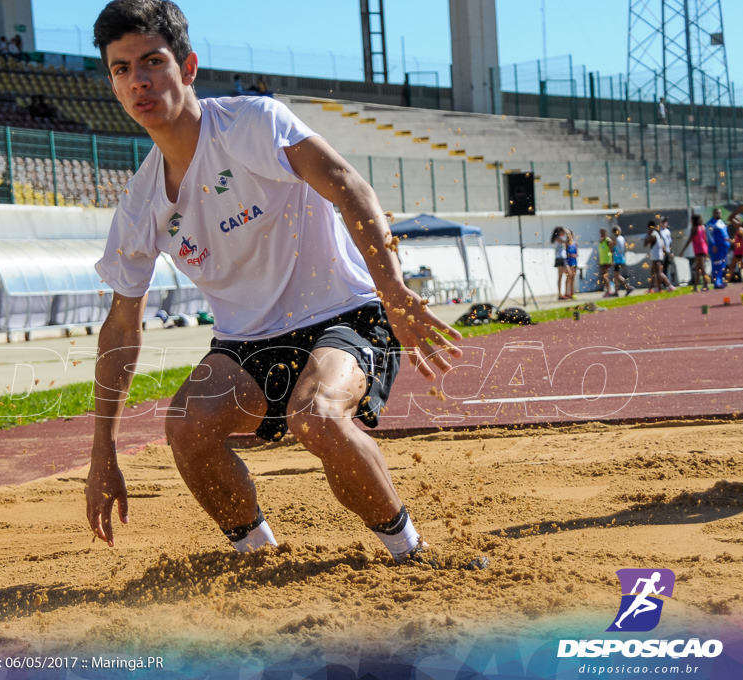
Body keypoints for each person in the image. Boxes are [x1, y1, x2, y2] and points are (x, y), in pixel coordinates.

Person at [86, 0, 473, 568]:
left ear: (187, 68)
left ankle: (411, 554)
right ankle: (260, 557)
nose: (138, 80)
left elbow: (347, 185)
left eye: (152, 61)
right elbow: (121, 327)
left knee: (316, 415)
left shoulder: (252, 123)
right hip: (249, 343)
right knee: (187, 425)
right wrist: (102, 454)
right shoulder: (140, 204)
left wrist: (395, 293)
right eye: (121, 69)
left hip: (346, 313)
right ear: (114, 86)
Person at [678, 213, 710, 291]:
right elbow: (706, 239)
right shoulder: (702, 227)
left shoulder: (694, 228)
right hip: (703, 248)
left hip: (699, 249)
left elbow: (689, 240)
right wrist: (708, 249)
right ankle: (695, 286)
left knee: (702, 268)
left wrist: (682, 251)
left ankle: (706, 284)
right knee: (698, 268)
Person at [643, 220, 674, 293]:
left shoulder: (653, 235)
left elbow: (645, 244)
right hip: (656, 256)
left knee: (659, 273)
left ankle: (670, 285)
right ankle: (656, 288)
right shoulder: (657, 233)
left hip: (656, 256)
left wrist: (647, 235)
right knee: (653, 272)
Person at [706, 207, 729, 289]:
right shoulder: (711, 223)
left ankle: (720, 280)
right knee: (717, 263)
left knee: (723, 264)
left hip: (724, 246)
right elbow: (710, 235)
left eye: (719, 213)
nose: (718, 214)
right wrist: (714, 244)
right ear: (713, 214)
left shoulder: (721, 222)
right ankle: (716, 281)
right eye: (716, 213)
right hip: (717, 247)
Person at [610, 226, 634, 296]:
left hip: (617, 260)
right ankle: (616, 291)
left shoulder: (615, 239)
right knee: (616, 276)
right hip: (621, 258)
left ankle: (628, 287)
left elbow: (611, 249)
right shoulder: (622, 238)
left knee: (617, 276)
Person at [726, 220, 743, 287]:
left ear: (739, 223)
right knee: (732, 266)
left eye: (736, 222)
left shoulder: (740, 230)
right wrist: (730, 240)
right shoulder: (737, 230)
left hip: (741, 252)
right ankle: (727, 281)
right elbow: (736, 242)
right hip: (737, 252)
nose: (734, 224)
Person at [551, 225, 568, 299]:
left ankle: (564, 293)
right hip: (559, 258)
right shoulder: (558, 238)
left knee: (566, 275)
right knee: (562, 276)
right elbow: (568, 242)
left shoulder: (560, 238)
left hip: (562, 258)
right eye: (563, 231)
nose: (564, 233)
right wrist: (569, 234)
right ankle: (560, 294)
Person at [597, 227, 614, 296]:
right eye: (601, 233)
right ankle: (608, 289)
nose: (601, 234)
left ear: (605, 233)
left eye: (603, 233)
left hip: (607, 260)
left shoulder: (608, 240)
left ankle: (609, 290)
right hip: (602, 261)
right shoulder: (601, 241)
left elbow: (611, 250)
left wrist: (612, 260)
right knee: (604, 276)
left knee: (604, 276)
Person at [659, 216, 675, 284]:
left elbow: (670, 242)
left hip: (668, 251)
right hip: (662, 252)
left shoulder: (668, 231)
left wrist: (671, 252)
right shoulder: (659, 231)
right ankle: (663, 283)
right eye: (663, 222)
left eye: (665, 222)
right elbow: (661, 242)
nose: (664, 223)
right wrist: (665, 250)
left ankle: (666, 282)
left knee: (667, 267)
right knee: (662, 268)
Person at [564, 229, 578, 299]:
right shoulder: (566, 243)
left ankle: (572, 293)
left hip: (574, 262)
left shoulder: (575, 243)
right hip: (568, 262)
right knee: (568, 277)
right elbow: (565, 253)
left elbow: (576, 253)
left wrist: (575, 255)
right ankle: (566, 292)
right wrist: (570, 255)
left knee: (573, 278)